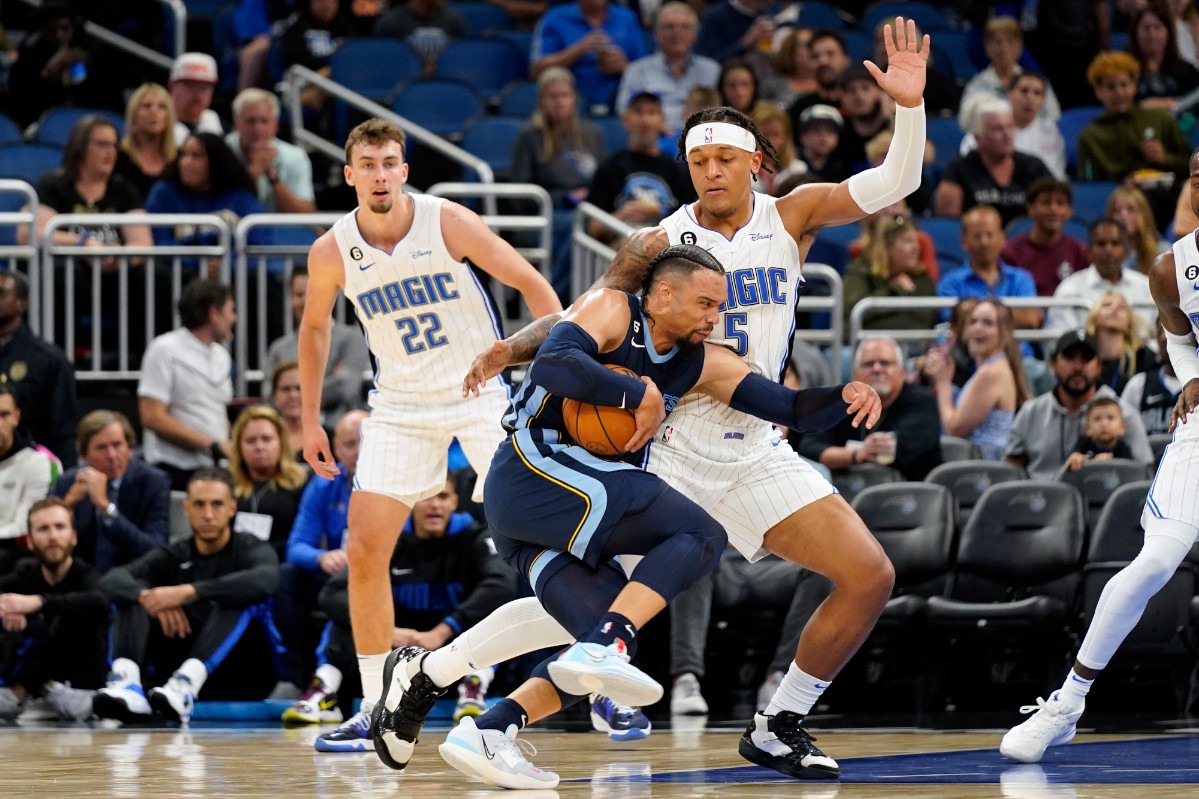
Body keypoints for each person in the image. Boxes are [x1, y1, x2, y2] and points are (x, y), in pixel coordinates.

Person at [380, 16, 929, 782]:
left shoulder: (791, 216)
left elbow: (894, 184)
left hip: (756, 438)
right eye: (697, 157)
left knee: (868, 572)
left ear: (756, 165)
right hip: (666, 444)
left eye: (723, 158)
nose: (708, 170)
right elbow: (586, 315)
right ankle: (460, 692)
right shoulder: (656, 243)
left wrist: (908, 107)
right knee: (600, 612)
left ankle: (780, 721)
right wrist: (512, 346)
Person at [431, 244, 881, 788]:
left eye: (720, 307)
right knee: (699, 532)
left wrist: (846, 394)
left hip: (547, 514)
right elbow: (553, 360)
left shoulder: (699, 361)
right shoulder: (613, 308)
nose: (716, 318)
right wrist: (636, 391)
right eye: (707, 304)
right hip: (533, 466)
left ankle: (490, 729)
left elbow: (788, 408)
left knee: (602, 635)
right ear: (663, 294)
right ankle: (603, 641)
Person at [297, 117, 560, 763]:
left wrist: (539, 363)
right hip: (400, 407)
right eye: (368, 163)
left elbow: (535, 287)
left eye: (391, 161)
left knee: (544, 542)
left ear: (404, 169)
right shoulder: (332, 249)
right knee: (363, 550)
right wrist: (308, 419)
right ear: (349, 173)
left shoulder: (446, 220)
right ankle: (370, 706)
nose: (380, 173)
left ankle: (589, 670)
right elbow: (313, 332)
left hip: (479, 395)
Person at [1000, 149, 1199, 764]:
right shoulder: (1173, 268)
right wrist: (1189, 375)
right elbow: (1177, 333)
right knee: (1155, 560)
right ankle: (1067, 703)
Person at [302, 477, 515, 742]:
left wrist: (443, 630)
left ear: (455, 502)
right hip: (395, 651)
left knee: (496, 614)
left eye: (443, 497)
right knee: (344, 619)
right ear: (412, 501)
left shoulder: (475, 537)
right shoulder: (388, 540)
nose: (434, 505)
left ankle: (473, 688)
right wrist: (386, 632)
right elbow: (332, 593)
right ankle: (324, 690)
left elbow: (502, 585)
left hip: (451, 647)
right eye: (427, 496)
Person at [92, 468, 280, 725]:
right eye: (200, 505)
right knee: (132, 595)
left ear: (232, 509)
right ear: (186, 509)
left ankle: (187, 682)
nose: (208, 514)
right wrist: (149, 598)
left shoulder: (250, 547)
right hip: (172, 676)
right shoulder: (175, 552)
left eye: (217, 504)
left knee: (240, 595)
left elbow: (267, 578)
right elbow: (112, 579)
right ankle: (127, 682)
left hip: (246, 673)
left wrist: (188, 592)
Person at [274, 409, 365, 708]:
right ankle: (295, 678)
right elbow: (297, 546)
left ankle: (327, 683)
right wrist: (321, 557)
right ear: (336, 448)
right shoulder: (323, 484)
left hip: (385, 574)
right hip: (336, 572)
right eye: (350, 444)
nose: (358, 451)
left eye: (365, 442)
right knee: (287, 577)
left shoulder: (396, 482)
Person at [0, 497, 108, 722]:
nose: (53, 536)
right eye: (43, 529)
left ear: (74, 537)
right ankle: (28, 692)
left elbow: (99, 600)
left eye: (60, 527)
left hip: (79, 685)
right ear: (29, 541)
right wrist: (5, 607)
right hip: (36, 682)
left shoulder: (86, 574)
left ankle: (31, 691)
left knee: (73, 612)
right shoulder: (25, 573)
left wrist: (38, 602)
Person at [1004, 328, 1155, 480]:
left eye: (1086, 358)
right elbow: (1011, 469)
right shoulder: (1031, 412)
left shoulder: (1123, 413)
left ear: (1099, 366)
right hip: (1040, 499)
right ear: (1053, 363)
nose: (1077, 366)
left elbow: (1145, 473)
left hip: (1103, 500)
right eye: (1069, 357)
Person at [511, 66, 606, 300]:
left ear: (574, 99)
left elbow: (604, 179)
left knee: (585, 225)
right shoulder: (530, 136)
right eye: (552, 97)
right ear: (542, 101)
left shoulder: (591, 133)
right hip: (547, 215)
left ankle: (553, 300)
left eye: (565, 95)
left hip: (588, 211)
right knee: (577, 227)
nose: (559, 102)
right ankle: (559, 299)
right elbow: (520, 194)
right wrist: (565, 198)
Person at [798, 337, 942, 482]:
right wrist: (856, 454)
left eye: (885, 363)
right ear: (855, 374)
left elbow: (905, 447)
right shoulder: (841, 403)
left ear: (902, 372)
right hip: (849, 494)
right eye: (868, 364)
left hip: (913, 492)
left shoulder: (923, 401)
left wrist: (859, 453)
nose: (877, 369)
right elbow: (809, 448)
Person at [137, 278, 236, 491]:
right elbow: (152, 417)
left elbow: (213, 411)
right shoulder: (164, 349)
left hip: (213, 470)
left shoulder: (222, 356)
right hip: (170, 471)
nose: (234, 318)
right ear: (214, 314)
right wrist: (211, 444)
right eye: (231, 310)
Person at [53, 410, 170, 573]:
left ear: (130, 449)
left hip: (135, 577)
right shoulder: (69, 482)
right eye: (101, 448)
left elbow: (154, 550)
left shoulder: (154, 482)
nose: (112, 455)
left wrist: (106, 507)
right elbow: (42, 539)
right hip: (81, 579)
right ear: (84, 456)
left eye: (117, 445)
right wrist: (68, 504)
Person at [922, 298, 1031, 461]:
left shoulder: (991, 372)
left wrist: (943, 384)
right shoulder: (995, 367)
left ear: (1003, 332)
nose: (978, 328)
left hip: (984, 468)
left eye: (987, 323)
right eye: (973, 322)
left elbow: (954, 429)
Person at [585, 91, 695, 243]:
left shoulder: (679, 171)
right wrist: (622, 215)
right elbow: (593, 228)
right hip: (620, 247)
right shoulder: (609, 168)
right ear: (625, 120)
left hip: (667, 251)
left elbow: (692, 226)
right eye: (638, 112)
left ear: (662, 121)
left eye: (652, 113)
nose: (645, 121)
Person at [263, 267, 370, 422]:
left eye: (312, 293)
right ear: (290, 300)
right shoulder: (278, 349)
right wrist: (330, 381)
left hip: (339, 433)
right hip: (290, 436)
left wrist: (291, 394)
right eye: (299, 295)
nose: (305, 300)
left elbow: (345, 388)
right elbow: (268, 394)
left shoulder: (352, 339)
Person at [934, 98, 1053, 227]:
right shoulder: (959, 168)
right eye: (998, 129)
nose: (1007, 135)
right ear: (978, 137)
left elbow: (1055, 210)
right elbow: (949, 226)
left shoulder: (1034, 166)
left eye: (1009, 127)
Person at [0, 271, 77, 466]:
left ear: (22, 303)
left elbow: (63, 432)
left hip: (30, 468)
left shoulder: (48, 360)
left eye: (1, 293)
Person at [1077, 50, 1189, 183]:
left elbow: (1189, 164)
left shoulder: (1160, 118)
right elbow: (1087, 184)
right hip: (1117, 198)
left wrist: (1166, 157)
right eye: (1111, 87)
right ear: (1098, 92)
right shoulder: (1090, 136)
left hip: (1166, 193)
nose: (1119, 92)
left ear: (1134, 86)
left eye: (1124, 85)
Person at [615, 3, 719, 136]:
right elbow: (624, 112)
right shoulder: (636, 71)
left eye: (684, 27)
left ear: (695, 34)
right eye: (669, 27)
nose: (677, 33)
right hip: (654, 142)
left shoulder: (712, 70)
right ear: (655, 33)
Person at [936, 205, 1042, 332]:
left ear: (1002, 239)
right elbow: (954, 321)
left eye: (990, 235)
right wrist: (1008, 315)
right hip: (967, 351)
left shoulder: (1021, 279)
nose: (984, 242)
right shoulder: (950, 282)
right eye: (977, 236)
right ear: (964, 241)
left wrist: (974, 311)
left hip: (1017, 351)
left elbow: (1030, 319)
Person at [530, 0, 645, 115]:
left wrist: (623, 66)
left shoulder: (627, 18)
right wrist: (579, 50)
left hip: (620, 102)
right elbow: (537, 71)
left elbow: (644, 72)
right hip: (569, 104)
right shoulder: (556, 17)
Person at [229, 404, 309, 561]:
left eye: (267, 439)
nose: (259, 447)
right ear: (239, 447)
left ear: (281, 442)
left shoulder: (301, 483)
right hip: (235, 564)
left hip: (282, 564)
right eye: (251, 441)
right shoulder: (228, 485)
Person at [1047, 218, 1155, 332]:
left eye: (1115, 243)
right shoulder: (1069, 289)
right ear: (1088, 250)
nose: (1108, 250)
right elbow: (1056, 337)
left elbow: (1157, 336)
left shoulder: (1146, 287)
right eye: (1101, 244)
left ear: (1126, 250)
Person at [958, 16, 1062, 130]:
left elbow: (1054, 119)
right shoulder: (976, 86)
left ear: (1020, 47)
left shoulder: (1037, 83)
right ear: (987, 47)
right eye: (998, 42)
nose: (1004, 48)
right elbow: (967, 124)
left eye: (1011, 42)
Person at [225, 89, 317, 214]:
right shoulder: (222, 151)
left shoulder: (295, 157)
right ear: (236, 124)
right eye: (250, 121)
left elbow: (306, 214)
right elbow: (226, 211)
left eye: (264, 121)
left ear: (276, 125)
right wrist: (254, 172)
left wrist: (272, 176)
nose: (258, 129)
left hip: (281, 231)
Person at [841, 214, 937, 331]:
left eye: (916, 241)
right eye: (907, 241)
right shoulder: (861, 271)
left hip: (913, 347)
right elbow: (851, 313)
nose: (916, 247)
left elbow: (922, 323)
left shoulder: (921, 278)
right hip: (865, 345)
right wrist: (894, 290)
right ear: (887, 246)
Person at [1000, 177, 1090, 296]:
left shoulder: (1080, 252)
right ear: (1031, 209)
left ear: (1069, 211)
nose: (1053, 209)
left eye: (1060, 203)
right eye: (1046, 203)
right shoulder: (1010, 253)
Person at [0, 384, 61, 559]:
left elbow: (25, 528)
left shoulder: (39, 462)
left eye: (4, 415)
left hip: (16, 555)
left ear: (16, 417)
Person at [1127, 2, 1199, 110]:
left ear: (1169, 33)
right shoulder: (1122, 69)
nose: (1152, 34)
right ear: (1135, 33)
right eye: (1146, 28)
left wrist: (1175, 109)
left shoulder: (1187, 71)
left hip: (1178, 125)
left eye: (1158, 28)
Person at [786, 29, 851, 144]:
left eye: (830, 54)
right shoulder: (799, 108)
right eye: (816, 56)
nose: (823, 61)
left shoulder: (860, 106)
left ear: (845, 60)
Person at [1086, 290, 1157, 395]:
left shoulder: (1144, 357)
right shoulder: (1083, 357)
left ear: (1129, 324)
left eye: (1122, 307)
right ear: (1094, 317)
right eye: (1107, 305)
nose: (1114, 309)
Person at [114, 83, 178, 200]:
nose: (154, 112)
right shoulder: (118, 158)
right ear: (134, 114)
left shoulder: (178, 161)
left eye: (162, 107)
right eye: (147, 106)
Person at [1123, 324, 1181, 435]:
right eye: (1161, 331)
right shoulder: (1138, 385)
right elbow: (1123, 436)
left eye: (1172, 329)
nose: (1164, 337)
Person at [1107, 184, 1169, 275]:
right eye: (1117, 210)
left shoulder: (1164, 253)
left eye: (1130, 209)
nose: (1123, 216)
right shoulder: (1106, 254)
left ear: (1143, 214)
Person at [750, 104, 808, 197]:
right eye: (764, 135)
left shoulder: (798, 170)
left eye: (776, 135)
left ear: (785, 138)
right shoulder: (742, 172)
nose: (770, 142)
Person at [1065, 395, 1135, 470]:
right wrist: (1076, 459)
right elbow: (1073, 460)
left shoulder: (1124, 449)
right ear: (1088, 428)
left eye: (1110, 418)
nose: (1104, 423)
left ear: (1122, 427)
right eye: (1097, 419)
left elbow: (1129, 471)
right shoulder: (1083, 444)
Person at [169, 52, 223, 146]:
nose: (197, 94)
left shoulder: (216, 126)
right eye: (190, 86)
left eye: (204, 87)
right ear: (172, 86)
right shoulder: (156, 125)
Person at [796, 104, 848, 184]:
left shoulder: (840, 168)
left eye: (830, 131)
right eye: (816, 130)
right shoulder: (791, 162)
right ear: (803, 135)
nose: (823, 137)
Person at [268, 361, 305, 460]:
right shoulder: (263, 440)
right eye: (286, 389)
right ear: (274, 396)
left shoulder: (329, 439)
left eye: (299, 388)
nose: (293, 395)